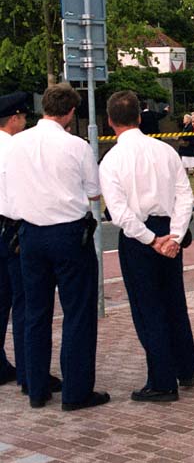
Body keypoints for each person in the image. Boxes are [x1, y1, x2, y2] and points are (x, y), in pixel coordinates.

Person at [4, 83, 110, 411]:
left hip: (30, 236)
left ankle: (36, 389)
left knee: (36, 313)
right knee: (77, 312)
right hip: (68, 235)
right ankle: (76, 392)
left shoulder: (16, 144)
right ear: (70, 112)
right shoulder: (76, 146)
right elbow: (94, 192)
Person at [100, 90, 194, 403]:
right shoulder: (165, 150)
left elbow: (120, 213)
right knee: (175, 303)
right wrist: (175, 236)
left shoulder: (111, 160)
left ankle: (162, 380)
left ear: (110, 121)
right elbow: (185, 196)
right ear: (140, 118)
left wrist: (150, 240)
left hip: (139, 238)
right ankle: (186, 370)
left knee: (148, 309)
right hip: (167, 231)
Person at [0, 92, 63, 398]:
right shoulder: (15, 148)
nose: (25, 122)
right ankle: (29, 373)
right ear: (14, 118)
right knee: (25, 303)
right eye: (23, 118)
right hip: (15, 227)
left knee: (1, 301)